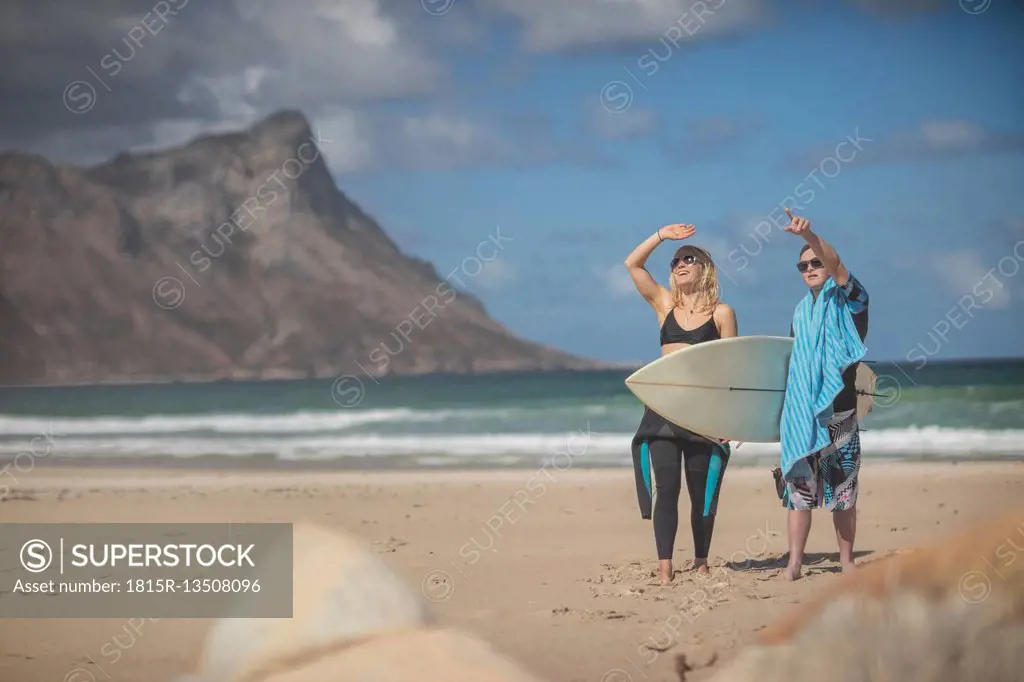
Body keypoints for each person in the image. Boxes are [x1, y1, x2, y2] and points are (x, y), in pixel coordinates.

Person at [624, 223, 738, 584]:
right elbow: (633, 265)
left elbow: (731, 371)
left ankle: (701, 560)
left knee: (701, 491)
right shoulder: (665, 306)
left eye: (690, 258)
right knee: (668, 488)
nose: (681, 263)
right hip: (663, 411)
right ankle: (665, 567)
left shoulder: (722, 313)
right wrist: (660, 236)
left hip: (702, 413)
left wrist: (730, 420)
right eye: (676, 261)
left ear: (705, 268)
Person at [779, 209, 869, 581]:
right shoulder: (800, 315)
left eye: (816, 262)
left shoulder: (851, 301)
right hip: (802, 416)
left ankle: (846, 562)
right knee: (799, 494)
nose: (811, 267)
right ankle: (794, 563)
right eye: (804, 265)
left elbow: (838, 265)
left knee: (843, 493)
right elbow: (790, 373)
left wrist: (810, 238)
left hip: (840, 413)